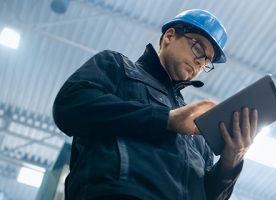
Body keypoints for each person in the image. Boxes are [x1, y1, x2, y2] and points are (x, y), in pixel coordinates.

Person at [53, 9, 258, 200]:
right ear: (169, 36)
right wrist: (166, 119)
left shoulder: (197, 129)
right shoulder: (117, 67)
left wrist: (229, 164)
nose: (199, 62)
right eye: (197, 47)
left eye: (206, 61)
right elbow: (69, 106)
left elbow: (206, 194)